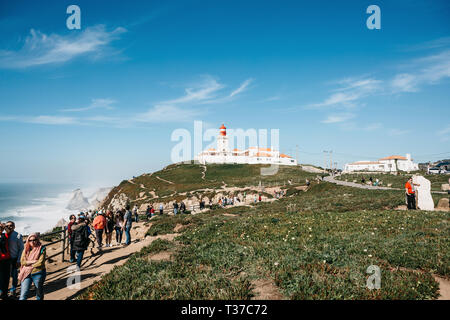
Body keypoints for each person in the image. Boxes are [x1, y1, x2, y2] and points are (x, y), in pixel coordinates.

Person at [18, 233, 46, 300]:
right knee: (23, 294)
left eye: (34, 240)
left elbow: (40, 262)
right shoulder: (26, 249)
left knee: (39, 293)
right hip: (26, 273)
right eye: (30, 240)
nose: (32, 242)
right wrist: (32, 261)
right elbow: (22, 262)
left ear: (37, 240)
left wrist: (28, 264)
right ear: (28, 240)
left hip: (38, 273)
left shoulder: (42, 248)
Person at [5, 221, 23, 298]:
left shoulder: (18, 236)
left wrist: (19, 260)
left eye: (11, 225)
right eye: (7, 226)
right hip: (4, 259)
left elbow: (21, 249)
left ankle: (13, 290)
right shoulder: (3, 235)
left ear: (14, 226)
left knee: (14, 276)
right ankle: (4, 290)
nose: (9, 227)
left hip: (13, 258)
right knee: (5, 276)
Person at [0, 223, 11, 300]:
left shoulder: (5, 235)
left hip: (6, 259)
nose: (0, 228)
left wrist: (4, 226)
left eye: (1, 227)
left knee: (6, 278)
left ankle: (5, 295)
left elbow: (9, 231)